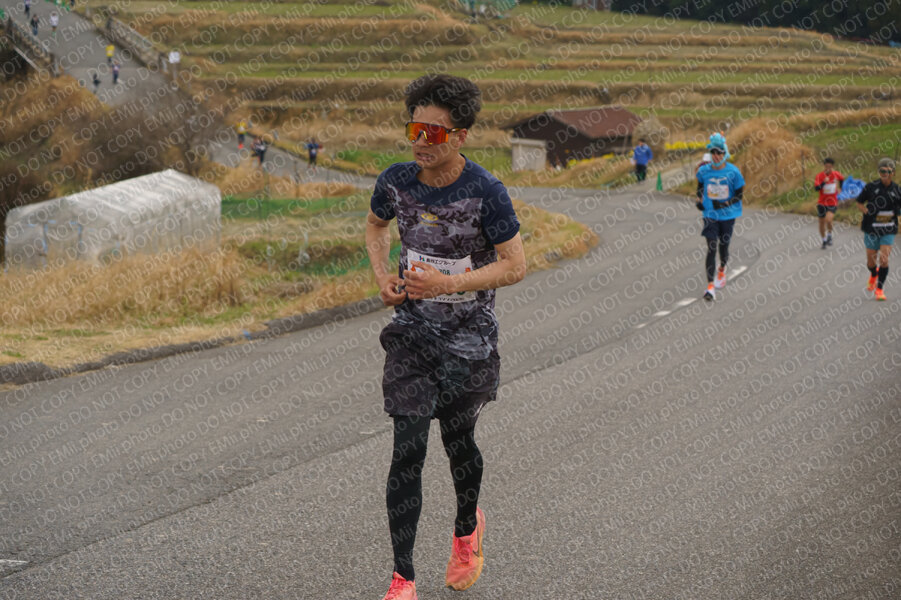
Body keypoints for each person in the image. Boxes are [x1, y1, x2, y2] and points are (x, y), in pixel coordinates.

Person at [366, 74, 525, 600]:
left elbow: (515, 265)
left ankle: (466, 530)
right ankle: (403, 578)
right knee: (407, 447)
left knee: (458, 443)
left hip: (469, 341)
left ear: (460, 136)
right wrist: (383, 276)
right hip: (412, 334)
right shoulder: (395, 181)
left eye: (433, 133)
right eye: (414, 129)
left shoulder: (486, 192)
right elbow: (375, 226)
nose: (420, 141)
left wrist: (448, 284)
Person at [696, 132, 744, 301]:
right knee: (711, 247)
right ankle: (710, 287)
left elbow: (739, 195)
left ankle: (722, 268)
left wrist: (724, 204)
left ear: (724, 154)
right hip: (710, 214)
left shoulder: (733, 172)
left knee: (724, 247)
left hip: (728, 215)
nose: (716, 156)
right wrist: (699, 201)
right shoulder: (704, 171)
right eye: (713, 152)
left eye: (719, 152)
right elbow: (700, 188)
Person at [856, 158, 900, 300]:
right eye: (882, 171)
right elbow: (859, 202)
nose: (885, 174)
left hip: (888, 229)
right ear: (879, 172)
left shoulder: (897, 190)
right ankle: (873, 274)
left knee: (884, 260)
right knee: (871, 262)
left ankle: (879, 289)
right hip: (871, 229)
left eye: (888, 171)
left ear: (893, 173)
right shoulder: (870, 187)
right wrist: (865, 210)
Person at [814, 157, 844, 249]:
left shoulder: (836, 174)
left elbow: (842, 179)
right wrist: (824, 183)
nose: (828, 169)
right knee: (821, 223)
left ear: (832, 167)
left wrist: (840, 188)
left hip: (832, 202)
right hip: (822, 203)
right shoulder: (819, 176)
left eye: (830, 167)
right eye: (826, 167)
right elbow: (816, 188)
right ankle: (824, 239)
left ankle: (829, 235)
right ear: (824, 166)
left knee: (829, 220)